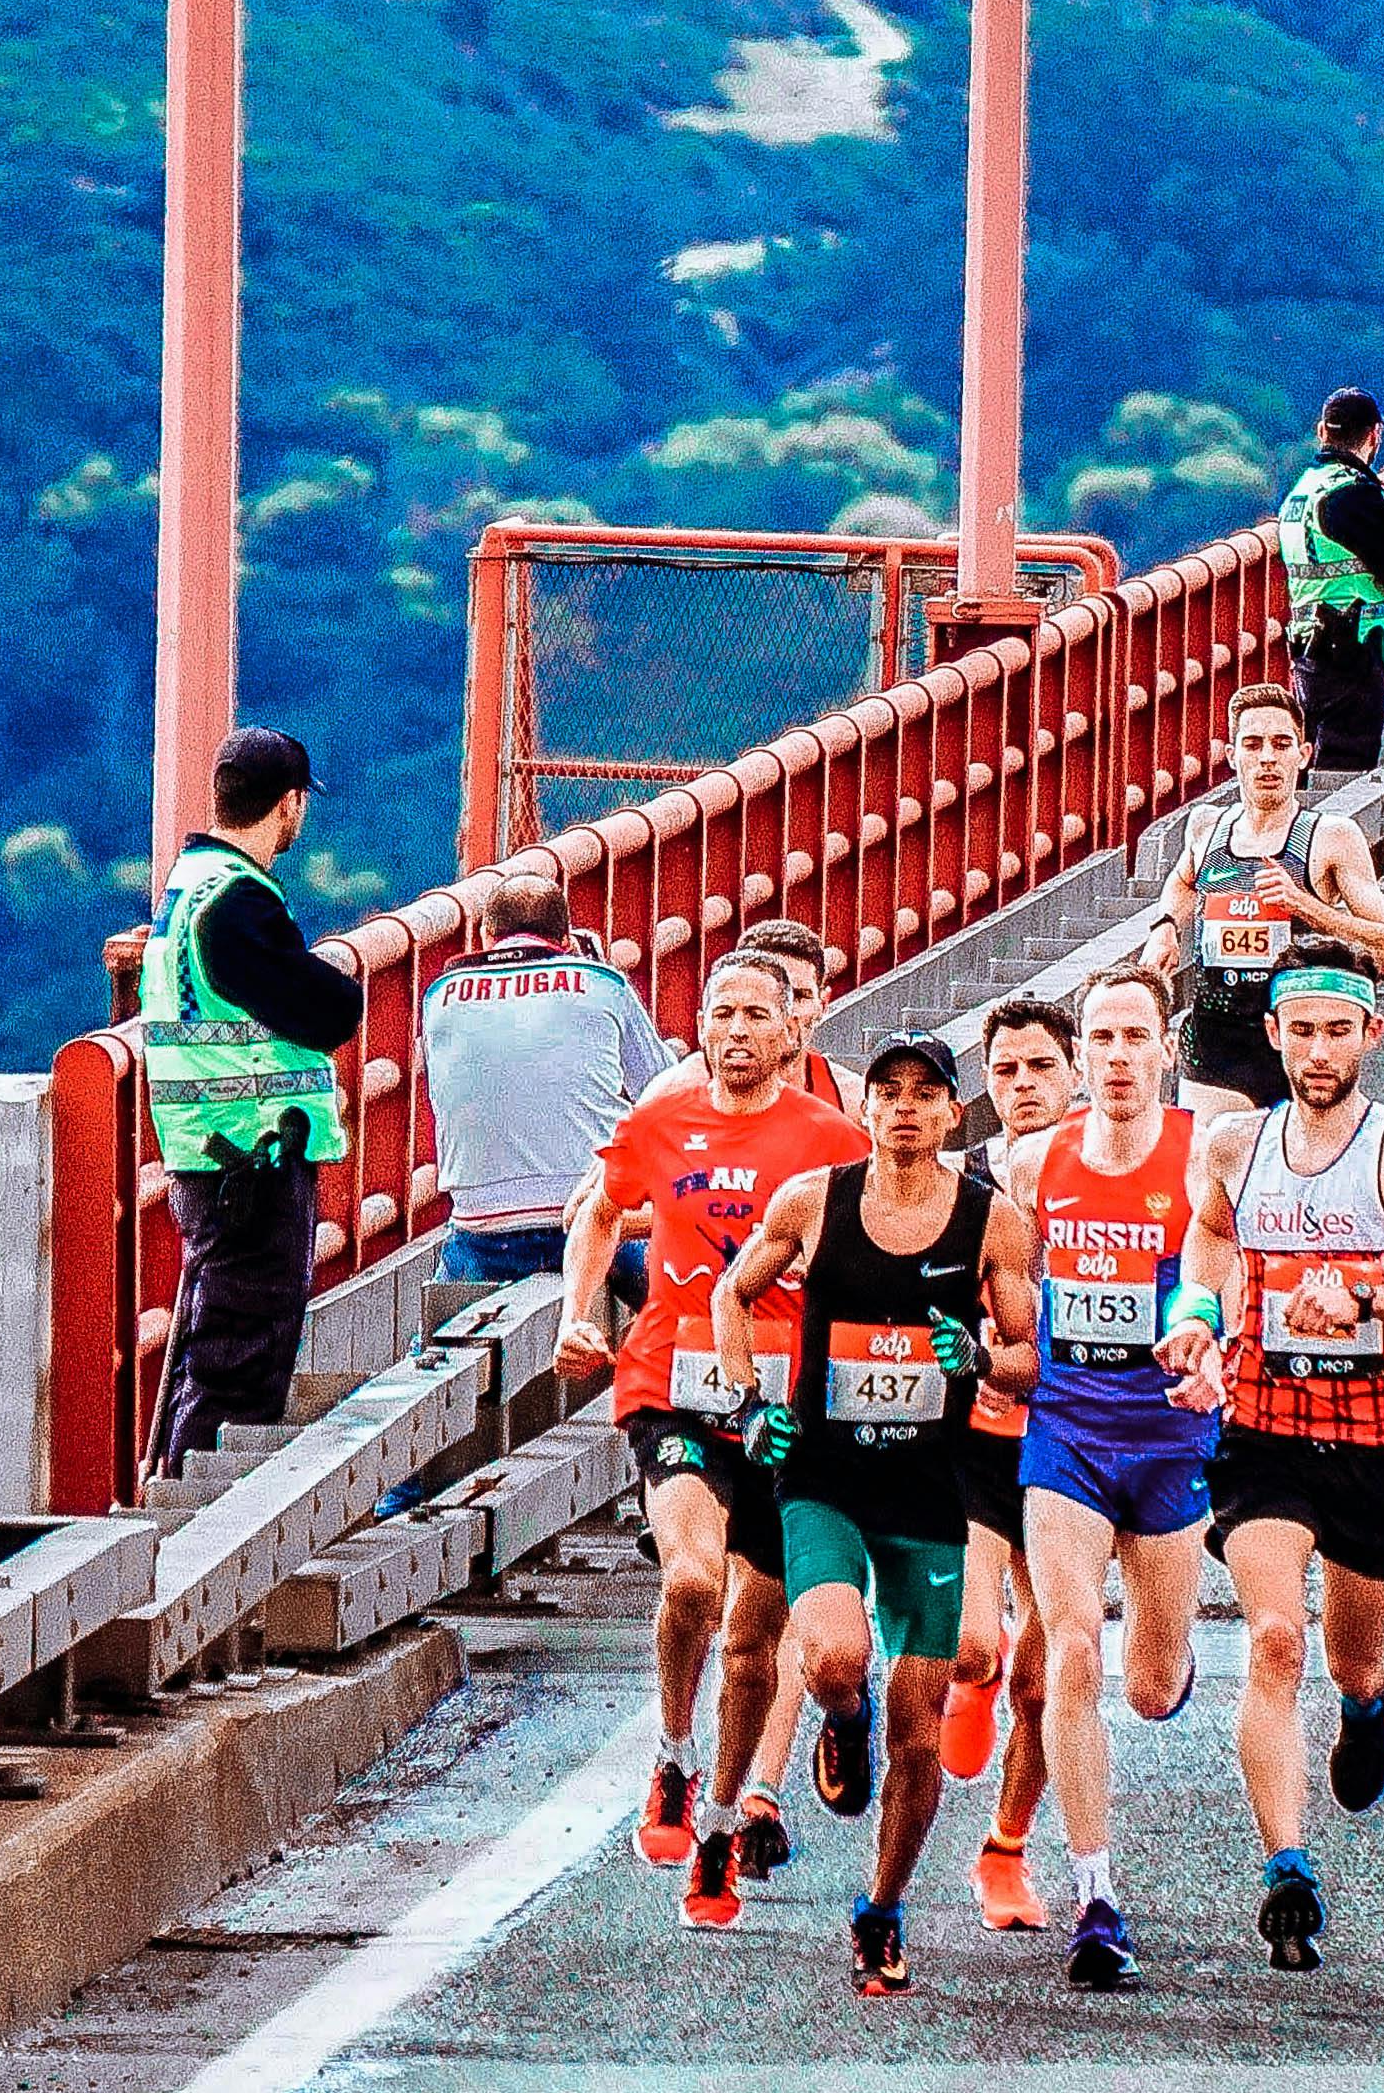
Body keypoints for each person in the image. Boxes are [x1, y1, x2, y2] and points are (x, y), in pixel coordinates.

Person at [1150, 967, 1384, 1973]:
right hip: (1263, 1430)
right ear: (1271, 1033)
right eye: (1300, 1031)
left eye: (1336, 1032)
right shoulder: (1232, 1145)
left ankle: (1365, 1697)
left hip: (1373, 1440)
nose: (1316, 1052)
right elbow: (1210, 1241)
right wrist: (1193, 1320)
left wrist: (1369, 1296)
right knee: (1272, 1637)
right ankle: (1287, 1868)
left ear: (1370, 1033)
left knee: (1349, 1654)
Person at [709, 1029, 1048, 2000]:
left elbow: (1028, 1358)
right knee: (832, 1658)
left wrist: (978, 1359)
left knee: (920, 1724)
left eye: (923, 1093)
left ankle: (881, 1909)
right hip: (823, 1474)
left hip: (931, 1490)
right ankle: (836, 1716)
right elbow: (736, 1293)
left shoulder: (993, 1223)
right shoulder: (811, 1201)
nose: (903, 1106)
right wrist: (746, 1400)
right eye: (887, 1090)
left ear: (953, 1111)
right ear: (868, 1109)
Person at [558, 950, 869, 1927]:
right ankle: (672, 1754)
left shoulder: (832, 1138)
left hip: (785, 1401)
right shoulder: (661, 1121)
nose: (736, 1030)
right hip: (673, 1378)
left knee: (751, 1642)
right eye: (720, 1012)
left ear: (790, 1033)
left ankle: (723, 1824)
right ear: (698, 1027)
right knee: (691, 1577)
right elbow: (599, 1210)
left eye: (756, 1015)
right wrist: (580, 1312)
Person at [1009, 966, 1227, 1989]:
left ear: (1165, 1050)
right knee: (1069, 1653)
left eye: (1136, 1037)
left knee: (1145, 1684)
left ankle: (1174, 1657)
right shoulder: (1033, 1161)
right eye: (1100, 1038)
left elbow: (1224, 1268)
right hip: (1066, 1433)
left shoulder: (1199, 1158)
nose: (1118, 1057)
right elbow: (1006, 1283)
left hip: (1171, 1433)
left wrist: (1206, 1334)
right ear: (1081, 1055)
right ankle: (1095, 1893)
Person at [139, 726, 360, 1468]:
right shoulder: (236, 903)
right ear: (289, 805)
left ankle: (175, 1488)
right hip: (252, 1156)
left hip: (208, 1148)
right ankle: (199, 1517)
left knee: (214, 1340)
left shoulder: (187, 884)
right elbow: (328, 1011)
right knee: (242, 1352)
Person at [944, 995, 1081, 1930]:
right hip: (976, 1441)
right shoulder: (956, 1185)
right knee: (968, 1642)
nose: (1023, 1087)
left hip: (1075, 1444)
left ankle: (1005, 1849)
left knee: (1048, 1674)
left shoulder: (1108, 1172)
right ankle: (972, 1675)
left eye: (1039, 1068)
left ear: (1072, 1073)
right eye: (1004, 1072)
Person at [1148, 682, 1384, 1110]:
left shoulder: (1331, 837)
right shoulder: (1206, 827)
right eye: (1253, 744)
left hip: (1297, 1043)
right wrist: (1166, 926)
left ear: (1302, 755)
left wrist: (1306, 905)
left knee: (1291, 1174)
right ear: (1232, 756)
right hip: (1215, 1040)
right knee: (1212, 1169)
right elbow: (1182, 881)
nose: (1267, 757)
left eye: (1281, 744)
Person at [419, 874, 666, 1297]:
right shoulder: (603, 984)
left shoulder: (439, 995)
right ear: (567, 938)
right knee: (681, 1304)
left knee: (438, 1335)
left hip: (486, 1229)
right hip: (594, 1217)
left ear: (485, 935)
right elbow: (665, 1091)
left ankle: (422, 1351)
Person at [1272, 388, 1384, 782]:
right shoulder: (1353, 493)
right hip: (1354, 647)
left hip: (1308, 645)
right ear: (1375, 435)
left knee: (1312, 758)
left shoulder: (1302, 491)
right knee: (1347, 767)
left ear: (1322, 431)